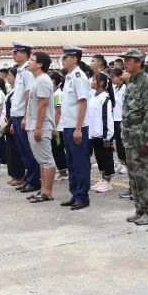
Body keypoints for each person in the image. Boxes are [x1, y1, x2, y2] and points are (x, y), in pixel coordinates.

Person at [58, 45, 92, 210]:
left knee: (80, 163)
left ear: (75, 58)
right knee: (71, 163)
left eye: (65, 57)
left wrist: (78, 128)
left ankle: (82, 197)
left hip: (77, 127)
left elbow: (83, 103)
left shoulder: (79, 77)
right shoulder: (70, 77)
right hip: (68, 126)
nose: (62, 60)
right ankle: (75, 194)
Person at [9, 42, 42, 195]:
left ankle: (34, 181)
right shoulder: (21, 70)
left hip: (23, 114)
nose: (13, 54)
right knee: (23, 151)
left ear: (25, 53)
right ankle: (29, 179)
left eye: (16, 52)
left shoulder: (28, 70)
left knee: (29, 151)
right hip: (16, 114)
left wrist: (26, 116)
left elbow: (29, 94)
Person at [25, 52, 57, 202]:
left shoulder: (43, 80)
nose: (29, 62)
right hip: (34, 124)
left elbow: (43, 105)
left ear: (40, 65)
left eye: (32, 60)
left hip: (41, 125)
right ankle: (43, 189)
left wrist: (38, 127)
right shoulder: (37, 79)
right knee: (42, 161)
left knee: (47, 160)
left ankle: (48, 192)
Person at [87, 72, 116, 194]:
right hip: (94, 133)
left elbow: (107, 118)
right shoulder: (94, 96)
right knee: (99, 157)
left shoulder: (105, 98)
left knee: (106, 157)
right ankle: (102, 179)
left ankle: (108, 181)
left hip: (103, 135)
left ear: (101, 83)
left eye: (94, 79)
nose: (92, 81)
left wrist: (107, 136)